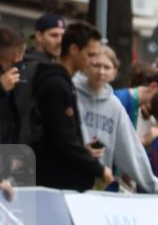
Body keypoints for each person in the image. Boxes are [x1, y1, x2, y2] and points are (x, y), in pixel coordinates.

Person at [74, 45, 158, 196]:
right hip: (68, 183)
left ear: (114, 73)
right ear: (86, 66)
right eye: (96, 65)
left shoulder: (114, 105)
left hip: (99, 188)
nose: (101, 71)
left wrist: (157, 188)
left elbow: (131, 150)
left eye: (107, 67)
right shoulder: (71, 93)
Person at [30, 21, 112, 191]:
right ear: (74, 50)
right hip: (56, 184)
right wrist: (98, 169)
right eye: (90, 55)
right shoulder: (57, 85)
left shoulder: (62, 82)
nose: (93, 61)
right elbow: (63, 138)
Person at [13, 13, 65, 126]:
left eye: (62, 36)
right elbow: (22, 110)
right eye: (54, 35)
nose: (60, 41)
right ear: (39, 36)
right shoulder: (29, 67)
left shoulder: (55, 67)